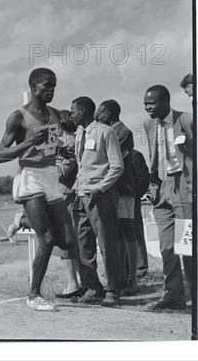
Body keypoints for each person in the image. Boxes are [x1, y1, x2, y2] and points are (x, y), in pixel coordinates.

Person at [0, 67, 74, 312]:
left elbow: (51, 143)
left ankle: (25, 217)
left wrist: (61, 149)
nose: (51, 90)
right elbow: (0, 155)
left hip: (51, 176)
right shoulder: (17, 117)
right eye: (47, 86)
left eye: (54, 86)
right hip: (30, 177)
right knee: (48, 240)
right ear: (34, 87)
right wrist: (30, 141)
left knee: (66, 241)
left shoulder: (54, 115)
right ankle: (34, 295)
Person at [142, 85, 194, 310]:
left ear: (166, 101)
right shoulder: (148, 125)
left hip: (183, 184)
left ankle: (197, 295)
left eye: (151, 103)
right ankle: (173, 296)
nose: (147, 108)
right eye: (145, 104)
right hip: (161, 187)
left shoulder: (188, 120)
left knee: (186, 244)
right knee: (166, 246)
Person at [71, 96, 123, 307]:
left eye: (73, 110)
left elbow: (117, 166)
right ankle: (93, 288)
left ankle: (113, 289)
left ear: (82, 111)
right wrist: (77, 189)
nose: (71, 114)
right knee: (83, 245)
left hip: (100, 196)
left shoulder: (105, 132)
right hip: (82, 196)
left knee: (106, 244)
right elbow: (81, 165)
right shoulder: (79, 134)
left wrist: (100, 189)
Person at [96, 99, 140, 295]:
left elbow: (108, 159)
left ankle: (133, 279)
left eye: (99, 111)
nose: (96, 114)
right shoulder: (107, 132)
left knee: (127, 231)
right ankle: (120, 277)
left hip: (123, 190)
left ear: (107, 114)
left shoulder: (123, 133)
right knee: (116, 234)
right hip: (110, 190)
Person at [53, 110, 85, 299]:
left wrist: (44, 162)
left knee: (65, 242)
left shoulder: (71, 143)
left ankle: (74, 284)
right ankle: (77, 283)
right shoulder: (62, 142)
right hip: (59, 196)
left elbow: (63, 171)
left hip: (65, 196)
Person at [131, 149, 150, 280]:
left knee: (135, 232)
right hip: (114, 200)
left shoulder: (135, 155)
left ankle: (140, 269)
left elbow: (144, 178)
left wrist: (135, 194)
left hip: (131, 200)